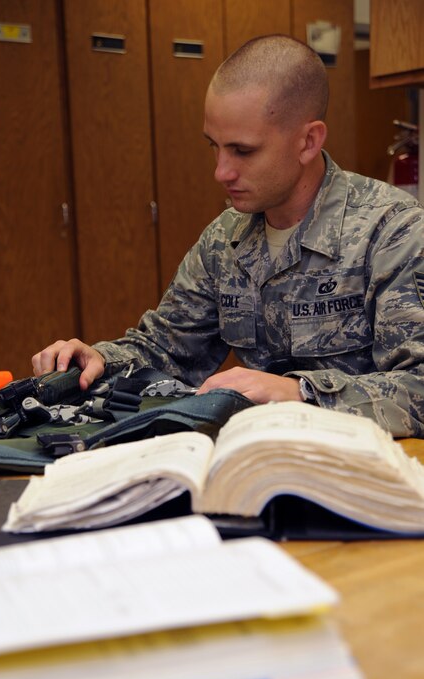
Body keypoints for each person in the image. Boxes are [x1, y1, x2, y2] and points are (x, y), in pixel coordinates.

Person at [33, 34, 424, 438]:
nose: (222, 172)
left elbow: (420, 385)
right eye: (214, 147)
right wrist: (97, 358)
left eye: (243, 150)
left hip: (365, 475)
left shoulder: (392, 232)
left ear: (308, 141)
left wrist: (301, 392)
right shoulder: (225, 240)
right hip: (256, 466)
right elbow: (167, 349)